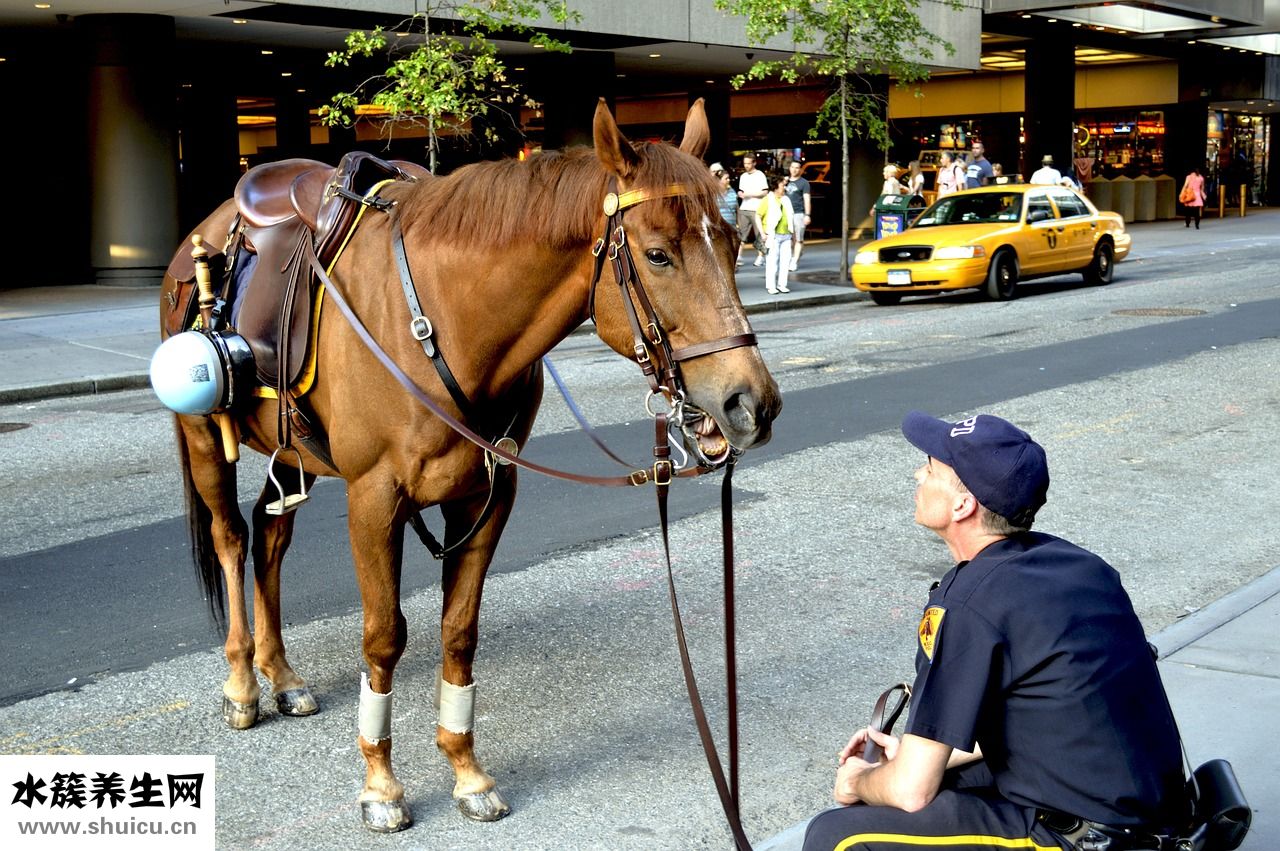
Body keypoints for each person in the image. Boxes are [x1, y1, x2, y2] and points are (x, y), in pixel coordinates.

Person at [803, 411, 1188, 851]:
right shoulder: (1078, 565)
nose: (918, 473)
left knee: (837, 834)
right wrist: (912, 752)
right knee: (941, 776)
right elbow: (1049, 715)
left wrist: (859, 780)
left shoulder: (968, 602)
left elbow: (911, 791)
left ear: (962, 506)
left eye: (930, 469)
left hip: (1089, 837)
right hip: (1151, 811)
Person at [760, 174, 795, 295]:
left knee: (786, 261)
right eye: (782, 185)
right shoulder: (768, 200)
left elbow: (791, 217)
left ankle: (782, 284)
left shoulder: (786, 199)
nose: (784, 187)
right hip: (773, 235)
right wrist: (762, 233)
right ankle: (771, 286)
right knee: (772, 261)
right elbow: (757, 216)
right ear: (775, 187)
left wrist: (793, 235)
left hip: (786, 235)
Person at [735, 153, 769, 267]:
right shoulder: (743, 176)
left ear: (754, 163)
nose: (746, 166)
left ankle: (760, 256)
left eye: (749, 163)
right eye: (745, 163)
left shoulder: (760, 175)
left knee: (759, 234)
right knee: (741, 234)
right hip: (744, 207)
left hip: (757, 209)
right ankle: (739, 256)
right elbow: (741, 191)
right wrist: (740, 193)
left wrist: (749, 194)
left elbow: (765, 192)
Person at [785, 160, 812, 271]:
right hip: (785, 214)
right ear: (789, 168)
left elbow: (807, 199)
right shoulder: (784, 181)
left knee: (799, 239)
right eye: (792, 167)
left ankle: (794, 261)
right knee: (789, 239)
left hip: (798, 213)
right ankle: (795, 254)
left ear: (800, 170)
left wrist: (807, 214)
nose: (794, 170)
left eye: (797, 168)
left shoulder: (804, 183)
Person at [710, 163, 737, 228]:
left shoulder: (732, 191)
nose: (716, 173)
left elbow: (737, 210)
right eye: (714, 171)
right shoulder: (710, 192)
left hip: (732, 227)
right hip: (718, 227)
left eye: (719, 171)